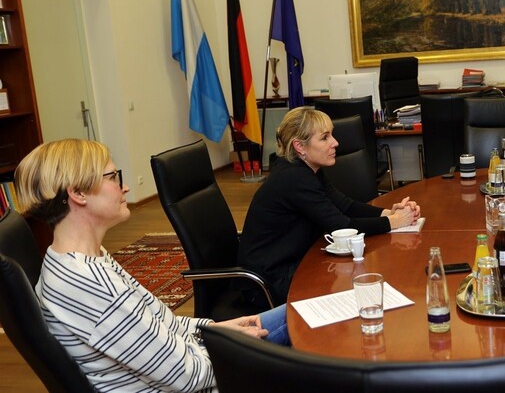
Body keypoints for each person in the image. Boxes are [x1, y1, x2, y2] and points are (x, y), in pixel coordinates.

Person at [14, 139, 289, 392]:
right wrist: (239, 349)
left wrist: (217, 328)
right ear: (78, 193)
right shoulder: (88, 284)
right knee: (316, 339)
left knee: (308, 313)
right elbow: (187, 376)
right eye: (112, 177)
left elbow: (160, 322)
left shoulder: (84, 260)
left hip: (197, 361)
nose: (125, 186)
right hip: (201, 383)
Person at [239, 107, 421, 305]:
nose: (335, 143)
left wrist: (389, 212)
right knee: (359, 293)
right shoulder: (294, 178)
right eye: (325, 137)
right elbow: (342, 226)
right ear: (300, 146)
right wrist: (392, 222)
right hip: (271, 283)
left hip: (295, 264)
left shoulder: (308, 169)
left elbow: (346, 206)